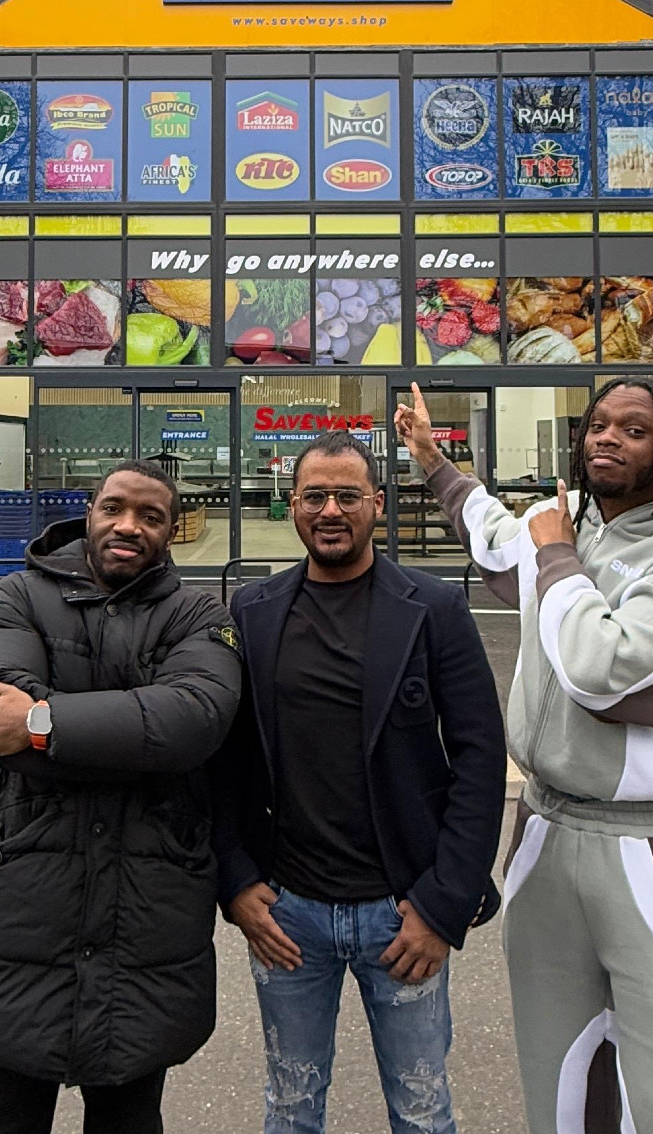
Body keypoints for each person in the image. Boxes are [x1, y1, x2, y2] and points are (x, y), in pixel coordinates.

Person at [394, 378, 653, 1134]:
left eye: (634, 430)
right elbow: (496, 530)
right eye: (598, 424)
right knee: (557, 1073)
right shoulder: (574, 526)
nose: (607, 438)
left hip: (651, 847)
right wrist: (432, 459)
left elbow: (601, 667)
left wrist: (558, 558)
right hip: (547, 830)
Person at [212, 430, 506, 1134]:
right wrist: (234, 883)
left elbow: (480, 756)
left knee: (422, 1108)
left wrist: (442, 906)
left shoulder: (432, 608)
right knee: (290, 1107)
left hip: (401, 913)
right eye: (315, 496)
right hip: (288, 915)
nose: (331, 510)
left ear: (378, 502)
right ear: (292, 506)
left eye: (348, 495)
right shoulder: (253, 611)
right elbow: (221, 760)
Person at [0, 459, 243, 1134]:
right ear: (90, 514)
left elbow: (192, 721)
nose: (128, 526)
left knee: (129, 1116)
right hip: (24, 909)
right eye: (115, 509)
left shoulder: (198, 613)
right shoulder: (14, 597)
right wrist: (131, 739)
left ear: (172, 533)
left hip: (147, 915)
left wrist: (43, 724)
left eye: (150, 516)